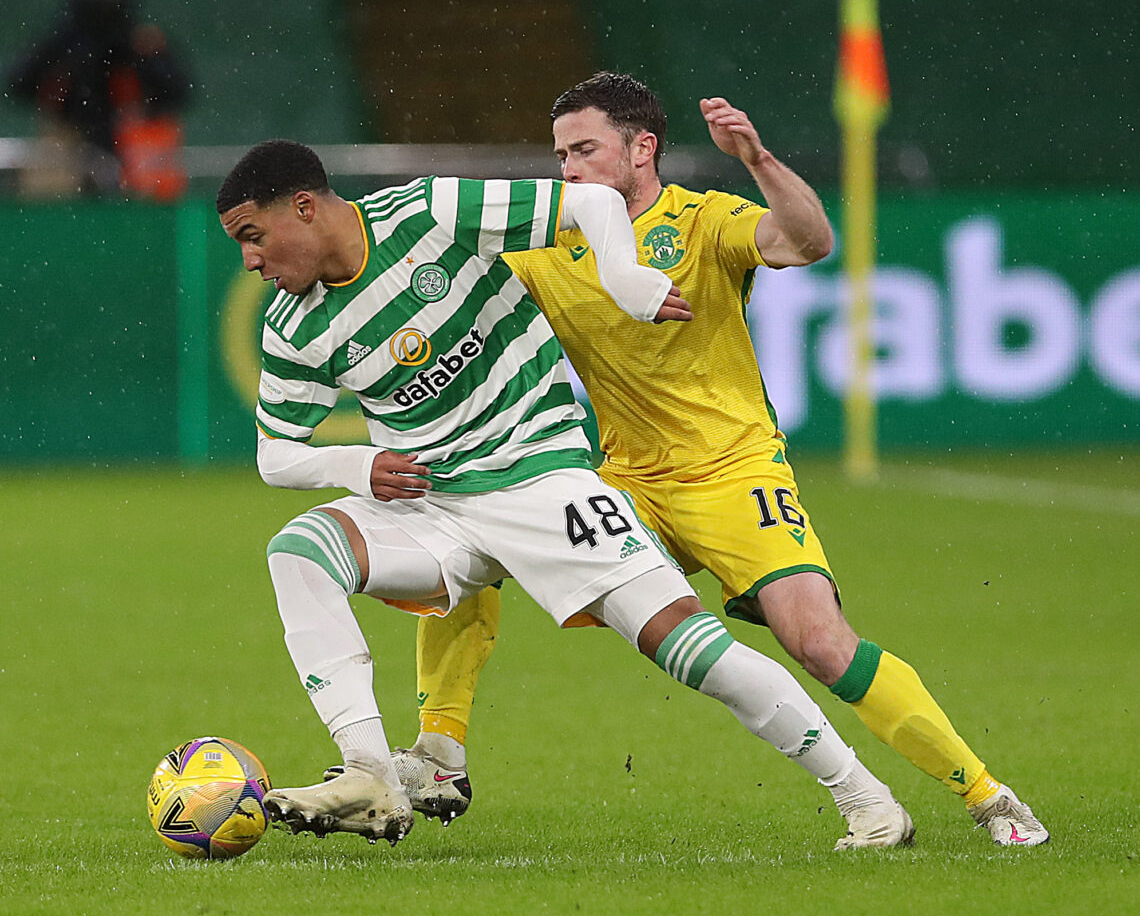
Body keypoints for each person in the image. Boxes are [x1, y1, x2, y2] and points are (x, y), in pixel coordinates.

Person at [395, 72, 1049, 847]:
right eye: (560, 154)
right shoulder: (549, 242)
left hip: (734, 469)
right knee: (473, 548)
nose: (567, 170)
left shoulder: (705, 222)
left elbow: (808, 242)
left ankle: (987, 797)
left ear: (643, 148)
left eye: (584, 150)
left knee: (818, 642)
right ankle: (440, 751)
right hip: (627, 481)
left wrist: (758, 158)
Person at [216, 139, 913, 849]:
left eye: (253, 236)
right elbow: (278, 456)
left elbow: (590, 200)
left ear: (304, 207)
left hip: (543, 482)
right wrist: (355, 466)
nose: (250, 259)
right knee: (299, 551)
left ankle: (867, 799)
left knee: (689, 647)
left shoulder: (431, 211)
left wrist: (624, 273)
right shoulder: (291, 325)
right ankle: (370, 771)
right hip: (434, 507)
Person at [6, 0, 190, 198]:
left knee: (148, 186)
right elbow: (20, 83)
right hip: (71, 136)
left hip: (131, 137)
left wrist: (147, 63)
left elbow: (178, 91)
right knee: (51, 187)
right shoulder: (64, 41)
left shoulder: (139, 40)